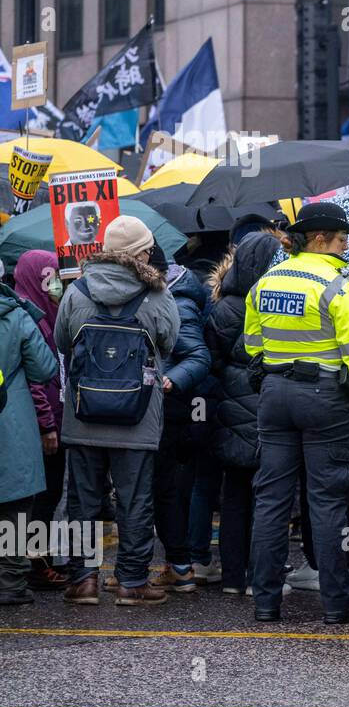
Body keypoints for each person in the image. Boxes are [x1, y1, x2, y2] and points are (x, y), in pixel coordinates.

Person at [243, 201, 349, 624]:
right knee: (327, 501)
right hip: (323, 397)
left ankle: (266, 602)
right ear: (319, 239)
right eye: (342, 239)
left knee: (271, 499)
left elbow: (252, 341)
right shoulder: (336, 286)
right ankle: (337, 603)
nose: (346, 247)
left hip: (274, 394)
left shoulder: (268, 280)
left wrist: (270, 370)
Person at [56, 216, 180, 606]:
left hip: (83, 416)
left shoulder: (76, 291)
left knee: (83, 501)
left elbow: (63, 342)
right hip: (137, 417)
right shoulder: (156, 295)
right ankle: (131, 581)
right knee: (135, 500)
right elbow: (170, 342)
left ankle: (84, 580)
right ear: (141, 252)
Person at [205, 230, 284, 595]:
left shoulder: (222, 307)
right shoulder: (276, 304)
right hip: (268, 410)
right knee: (269, 497)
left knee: (234, 497)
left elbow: (213, 360)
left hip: (230, 413)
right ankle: (261, 576)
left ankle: (233, 578)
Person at [148, 252, 213, 594]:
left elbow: (198, 355)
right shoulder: (167, 294)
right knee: (161, 488)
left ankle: (180, 565)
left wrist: (170, 380)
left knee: (163, 488)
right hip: (156, 404)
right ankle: (176, 564)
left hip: (167, 405)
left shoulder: (177, 300)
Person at [0, 268, 59, 605]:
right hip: (12, 420)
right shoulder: (17, 315)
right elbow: (45, 369)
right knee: (14, 507)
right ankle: (9, 584)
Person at [12, 250, 69, 589]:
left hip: (49, 418)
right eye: (49, 276)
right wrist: (47, 424)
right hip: (39, 423)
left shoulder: (44, 312)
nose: (54, 284)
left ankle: (36, 561)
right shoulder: (29, 317)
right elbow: (36, 379)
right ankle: (35, 564)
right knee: (40, 497)